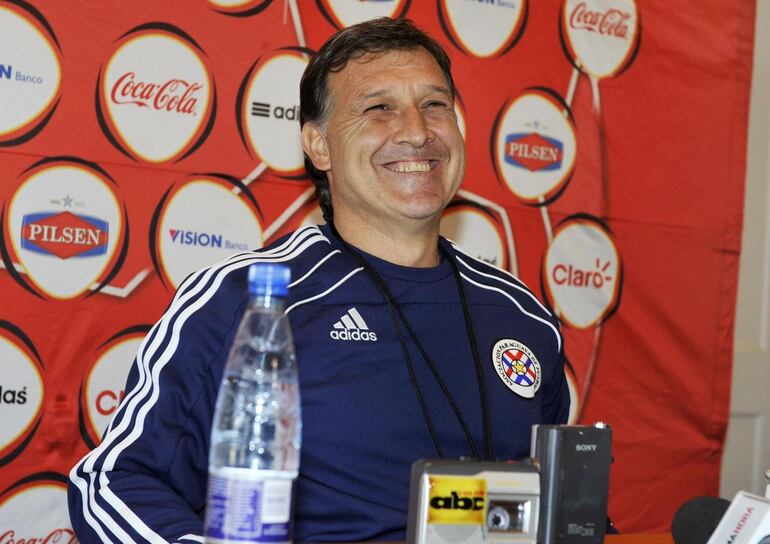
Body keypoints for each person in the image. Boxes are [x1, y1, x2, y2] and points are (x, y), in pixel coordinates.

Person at [69, 17, 569, 543]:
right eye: (379, 108)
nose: (417, 131)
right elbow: (112, 484)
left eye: (435, 104)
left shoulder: (523, 316)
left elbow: (563, 507)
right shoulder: (245, 300)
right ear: (319, 145)